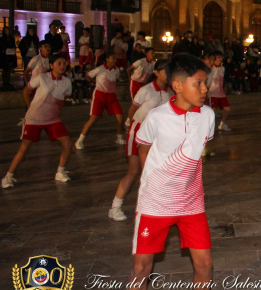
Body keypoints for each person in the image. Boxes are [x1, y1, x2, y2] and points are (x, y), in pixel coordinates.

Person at [129, 54, 215, 289]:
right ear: (176, 85)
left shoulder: (208, 116)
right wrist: (154, 178)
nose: (205, 88)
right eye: (198, 83)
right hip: (155, 203)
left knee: (205, 265)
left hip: (191, 202)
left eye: (205, 82)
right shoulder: (157, 117)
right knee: (141, 269)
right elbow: (143, 145)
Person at [109, 59, 170, 221]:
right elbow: (133, 109)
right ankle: (115, 206)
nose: (168, 73)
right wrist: (129, 125)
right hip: (138, 131)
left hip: (156, 135)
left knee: (156, 170)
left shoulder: (169, 93)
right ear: (156, 72)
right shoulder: (146, 90)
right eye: (165, 70)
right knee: (134, 170)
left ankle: (157, 206)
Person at [2, 53, 74, 189]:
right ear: (51, 65)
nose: (63, 66)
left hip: (53, 119)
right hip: (34, 118)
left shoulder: (67, 82)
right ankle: (8, 176)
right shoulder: (42, 78)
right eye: (59, 63)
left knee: (68, 144)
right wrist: (30, 107)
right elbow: (25, 91)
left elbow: (65, 98)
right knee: (24, 149)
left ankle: (60, 171)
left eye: (64, 63)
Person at [74, 53, 125, 149]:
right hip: (100, 96)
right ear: (107, 59)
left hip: (112, 97)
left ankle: (119, 138)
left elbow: (116, 79)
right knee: (93, 119)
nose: (115, 60)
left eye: (115, 58)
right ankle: (79, 141)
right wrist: (94, 82)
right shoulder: (100, 69)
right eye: (113, 58)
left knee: (120, 118)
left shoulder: (116, 70)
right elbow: (88, 75)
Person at [208, 52, 232, 132]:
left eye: (221, 57)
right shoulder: (210, 69)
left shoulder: (222, 68)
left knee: (227, 109)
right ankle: (208, 128)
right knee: (212, 111)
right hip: (212, 92)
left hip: (221, 92)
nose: (220, 59)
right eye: (218, 57)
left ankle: (222, 124)